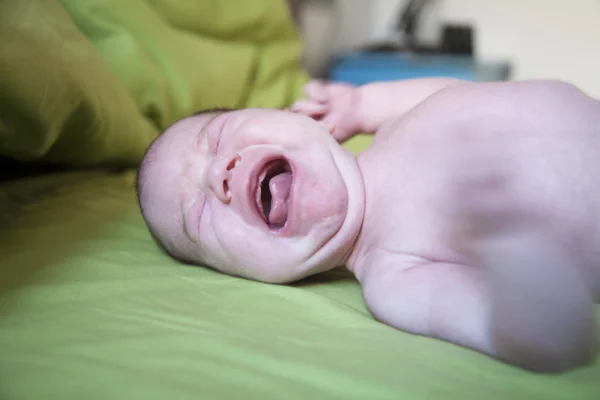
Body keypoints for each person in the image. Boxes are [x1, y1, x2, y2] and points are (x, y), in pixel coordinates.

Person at [136, 77, 600, 373]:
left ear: (288, 115)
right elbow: (553, 336)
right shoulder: (394, 278)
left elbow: (466, 90)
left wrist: (362, 103)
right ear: (243, 273)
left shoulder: (396, 120)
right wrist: (511, 240)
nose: (217, 174)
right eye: (198, 215)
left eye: (216, 137)